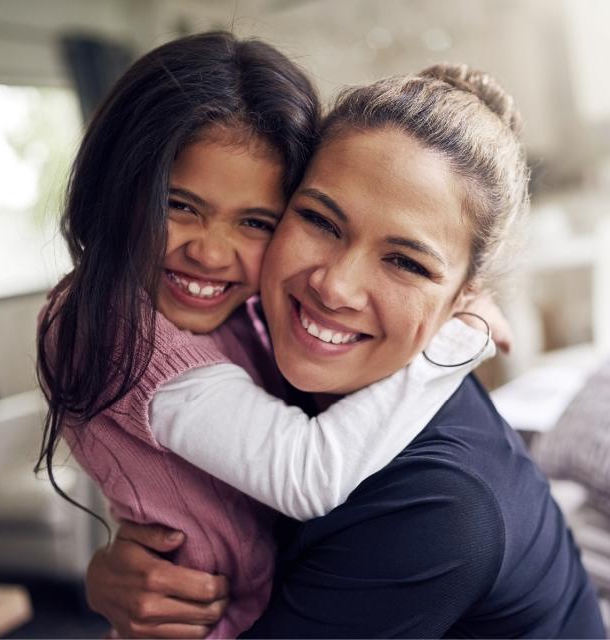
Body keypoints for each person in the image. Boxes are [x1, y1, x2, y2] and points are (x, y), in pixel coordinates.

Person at [85, 64, 606, 638]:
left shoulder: (437, 512)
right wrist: (117, 576)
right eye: (318, 220)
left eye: (406, 262)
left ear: (466, 296)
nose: (334, 286)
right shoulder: (266, 337)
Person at [36, 33, 501, 638]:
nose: (209, 252)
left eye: (256, 222)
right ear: (118, 187)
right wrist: (458, 338)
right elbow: (307, 475)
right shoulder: (118, 330)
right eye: (177, 206)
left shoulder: (234, 307)